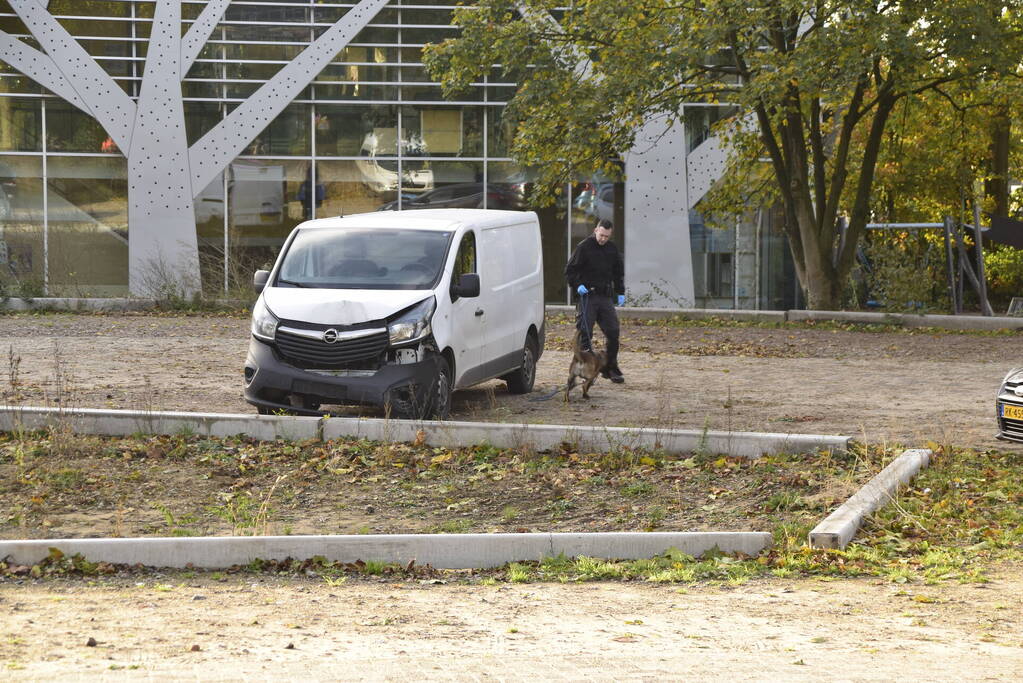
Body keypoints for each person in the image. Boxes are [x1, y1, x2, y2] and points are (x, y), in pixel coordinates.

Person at [565, 218, 625, 383]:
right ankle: (585, 366)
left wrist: (620, 291)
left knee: (613, 331)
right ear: (596, 230)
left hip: (605, 297)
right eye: (601, 235)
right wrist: (577, 285)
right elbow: (570, 270)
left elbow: (618, 272)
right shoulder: (583, 247)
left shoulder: (612, 249)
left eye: (606, 236)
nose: (603, 239)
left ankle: (610, 368)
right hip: (588, 296)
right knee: (584, 332)